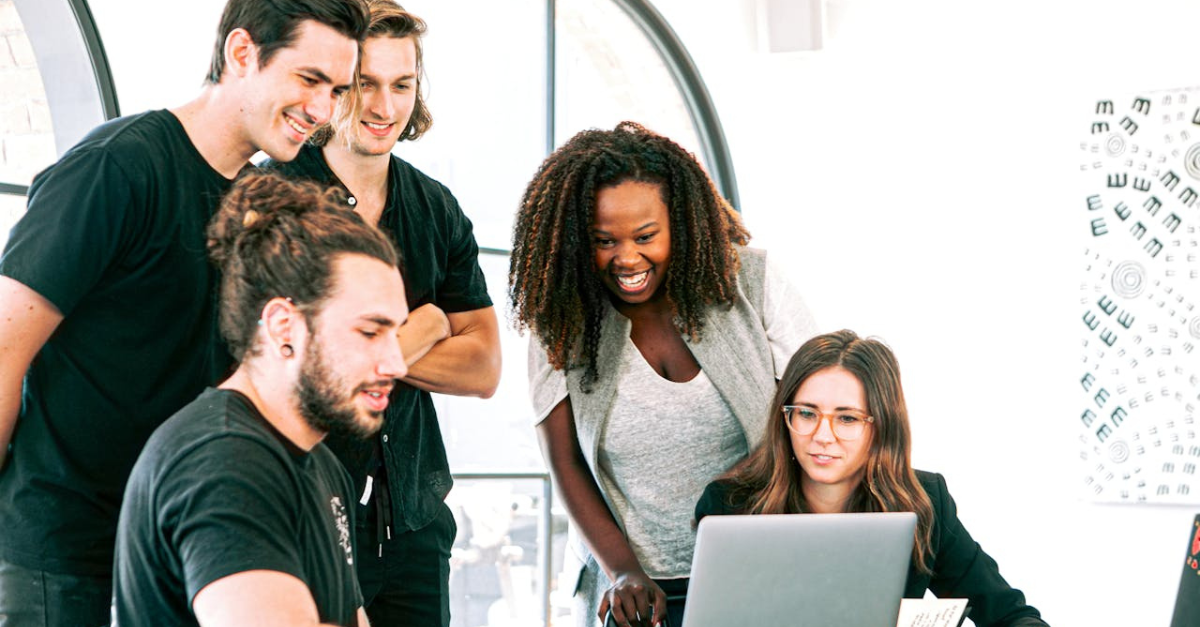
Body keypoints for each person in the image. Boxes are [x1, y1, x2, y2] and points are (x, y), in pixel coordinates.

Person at [0, 1, 367, 624]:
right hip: (65, 556)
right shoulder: (118, 166)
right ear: (242, 53)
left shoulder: (260, 201)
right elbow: (5, 347)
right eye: (309, 80)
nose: (324, 111)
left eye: (337, 90)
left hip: (180, 550)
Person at [509, 121, 817, 627]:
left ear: (682, 222)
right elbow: (564, 464)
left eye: (646, 236)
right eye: (603, 240)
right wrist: (623, 572)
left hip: (761, 566)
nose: (627, 258)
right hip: (634, 590)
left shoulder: (754, 284)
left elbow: (812, 419)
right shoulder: (560, 319)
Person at [263, 2, 501, 624]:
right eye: (365, 83)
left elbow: (483, 368)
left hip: (415, 524)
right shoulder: (274, 197)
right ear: (335, 84)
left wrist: (366, 347)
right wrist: (425, 325)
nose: (384, 107)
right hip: (304, 516)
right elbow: (294, 358)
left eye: (402, 85)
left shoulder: (436, 208)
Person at [113, 171, 406, 626]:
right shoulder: (222, 463)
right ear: (283, 327)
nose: (397, 364)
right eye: (370, 332)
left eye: (396, 334)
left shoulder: (323, 467)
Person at [694, 330, 1049, 627]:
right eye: (806, 413)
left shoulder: (924, 502)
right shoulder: (728, 506)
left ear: (880, 427)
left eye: (846, 419)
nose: (822, 435)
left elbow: (1010, 615)